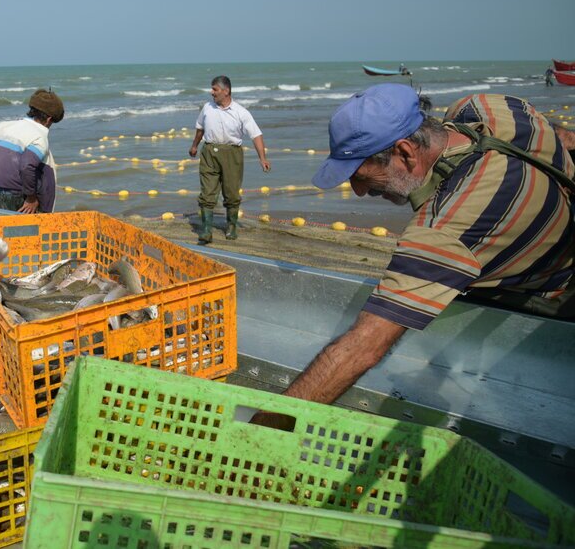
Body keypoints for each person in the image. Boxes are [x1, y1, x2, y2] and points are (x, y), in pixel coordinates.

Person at [259, 84, 574, 422]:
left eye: (361, 176)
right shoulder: (489, 107)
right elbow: (564, 137)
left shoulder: (447, 227)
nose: (360, 191)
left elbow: (363, 348)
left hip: (552, 289)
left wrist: (263, 430)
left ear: (406, 152)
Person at [189, 75, 270, 244]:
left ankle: (231, 226)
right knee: (207, 192)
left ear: (226, 91)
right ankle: (206, 231)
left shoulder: (241, 112)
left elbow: (256, 135)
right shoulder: (207, 108)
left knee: (231, 192)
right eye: (212, 89)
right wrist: (195, 146)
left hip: (232, 154)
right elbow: (200, 129)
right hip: (209, 152)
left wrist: (262, 158)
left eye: (215, 89)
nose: (212, 92)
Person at [0, 89, 63, 213]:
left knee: (4, 229)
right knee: (26, 231)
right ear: (48, 119)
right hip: (22, 197)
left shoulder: (3, 126)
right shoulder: (39, 136)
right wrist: (31, 198)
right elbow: (27, 165)